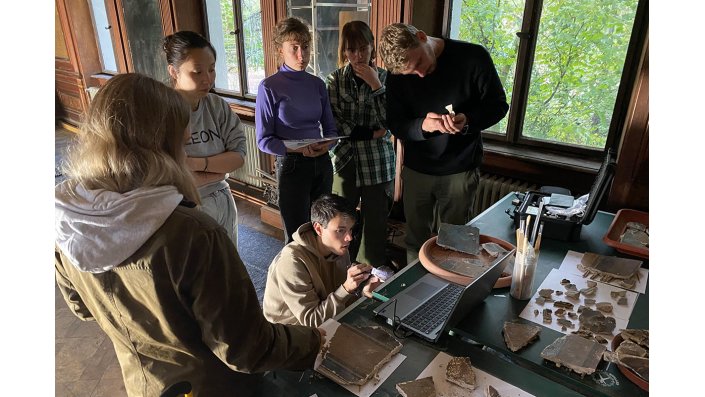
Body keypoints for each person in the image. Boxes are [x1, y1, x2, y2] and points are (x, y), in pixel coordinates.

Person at [55, 73, 324, 397]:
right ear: (161, 148)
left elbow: (82, 308)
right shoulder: (193, 233)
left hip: (146, 385)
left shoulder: (68, 219)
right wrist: (316, 341)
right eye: (182, 145)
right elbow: (245, 349)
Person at [378, 23, 509, 263]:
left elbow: (499, 105)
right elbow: (396, 124)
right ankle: (416, 296)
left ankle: (450, 295)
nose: (419, 74)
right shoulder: (397, 76)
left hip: (460, 168)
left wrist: (468, 120)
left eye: (418, 64)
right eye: (410, 73)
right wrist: (423, 127)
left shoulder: (473, 57)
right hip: (417, 169)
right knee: (415, 241)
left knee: (456, 243)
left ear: (421, 36)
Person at [255, 17, 339, 244]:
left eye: (305, 47)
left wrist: (326, 145)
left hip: (321, 163)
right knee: (296, 235)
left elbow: (331, 129)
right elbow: (263, 140)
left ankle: (324, 277)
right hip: (292, 165)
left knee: (325, 230)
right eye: (294, 48)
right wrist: (299, 150)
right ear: (280, 51)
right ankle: (296, 279)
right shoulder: (269, 87)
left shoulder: (317, 84)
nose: (301, 55)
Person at [163, 30, 246, 248]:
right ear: (174, 71)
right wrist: (217, 168)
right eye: (197, 72)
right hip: (183, 206)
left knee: (229, 266)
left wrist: (197, 164)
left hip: (222, 197)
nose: (207, 79)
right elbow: (167, 175)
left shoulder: (216, 106)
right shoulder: (161, 111)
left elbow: (238, 157)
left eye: (211, 69)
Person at [325, 20, 396, 269]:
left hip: (378, 161)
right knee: (341, 217)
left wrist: (376, 85)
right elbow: (334, 121)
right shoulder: (335, 80)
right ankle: (342, 265)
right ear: (344, 50)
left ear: (372, 47)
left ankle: (371, 269)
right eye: (351, 49)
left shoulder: (387, 78)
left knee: (376, 218)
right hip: (345, 158)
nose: (357, 55)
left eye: (363, 48)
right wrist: (371, 133)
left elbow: (391, 122)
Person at [262, 193, 381, 327]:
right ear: (318, 228)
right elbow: (313, 321)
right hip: (289, 333)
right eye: (341, 230)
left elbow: (338, 301)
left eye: (350, 230)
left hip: (324, 322)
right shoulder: (292, 262)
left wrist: (362, 292)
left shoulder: (340, 250)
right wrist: (347, 288)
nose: (349, 238)